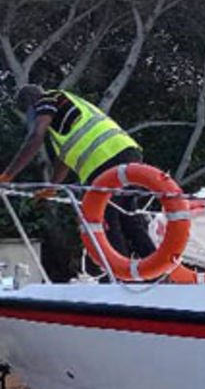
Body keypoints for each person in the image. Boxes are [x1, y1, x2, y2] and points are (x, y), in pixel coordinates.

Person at [0, 84, 154, 259]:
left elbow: (35, 137)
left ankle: (119, 278)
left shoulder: (47, 100)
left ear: (30, 105)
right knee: (128, 217)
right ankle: (158, 271)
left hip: (104, 160)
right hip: (125, 151)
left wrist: (8, 175)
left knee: (107, 219)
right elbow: (63, 160)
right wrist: (53, 187)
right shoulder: (65, 110)